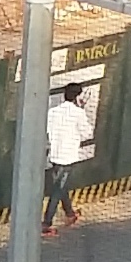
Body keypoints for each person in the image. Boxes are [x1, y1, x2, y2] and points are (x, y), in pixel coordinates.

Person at [44, 83, 92, 229]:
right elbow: (87, 133)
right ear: (77, 97)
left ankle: (70, 214)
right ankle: (46, 223)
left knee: (61, 186)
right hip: (68, 157)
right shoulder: (78, 113)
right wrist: (81, 110)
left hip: (54, 155)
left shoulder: (53, 112)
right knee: (58, 190)